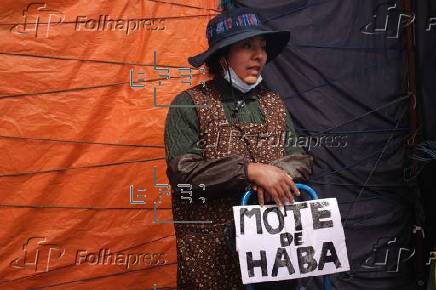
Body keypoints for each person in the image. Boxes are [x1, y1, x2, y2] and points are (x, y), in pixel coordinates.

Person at [164, 7, 313, 290]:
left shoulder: (273, 102)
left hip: (271, 252)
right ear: (222, 57)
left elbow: (302, 160)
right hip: (212, 254)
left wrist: (277, 172)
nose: (260, 56)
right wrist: (248, 171)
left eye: (263, 48)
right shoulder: (188, 104)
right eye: (248, 47)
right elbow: (183, 176)